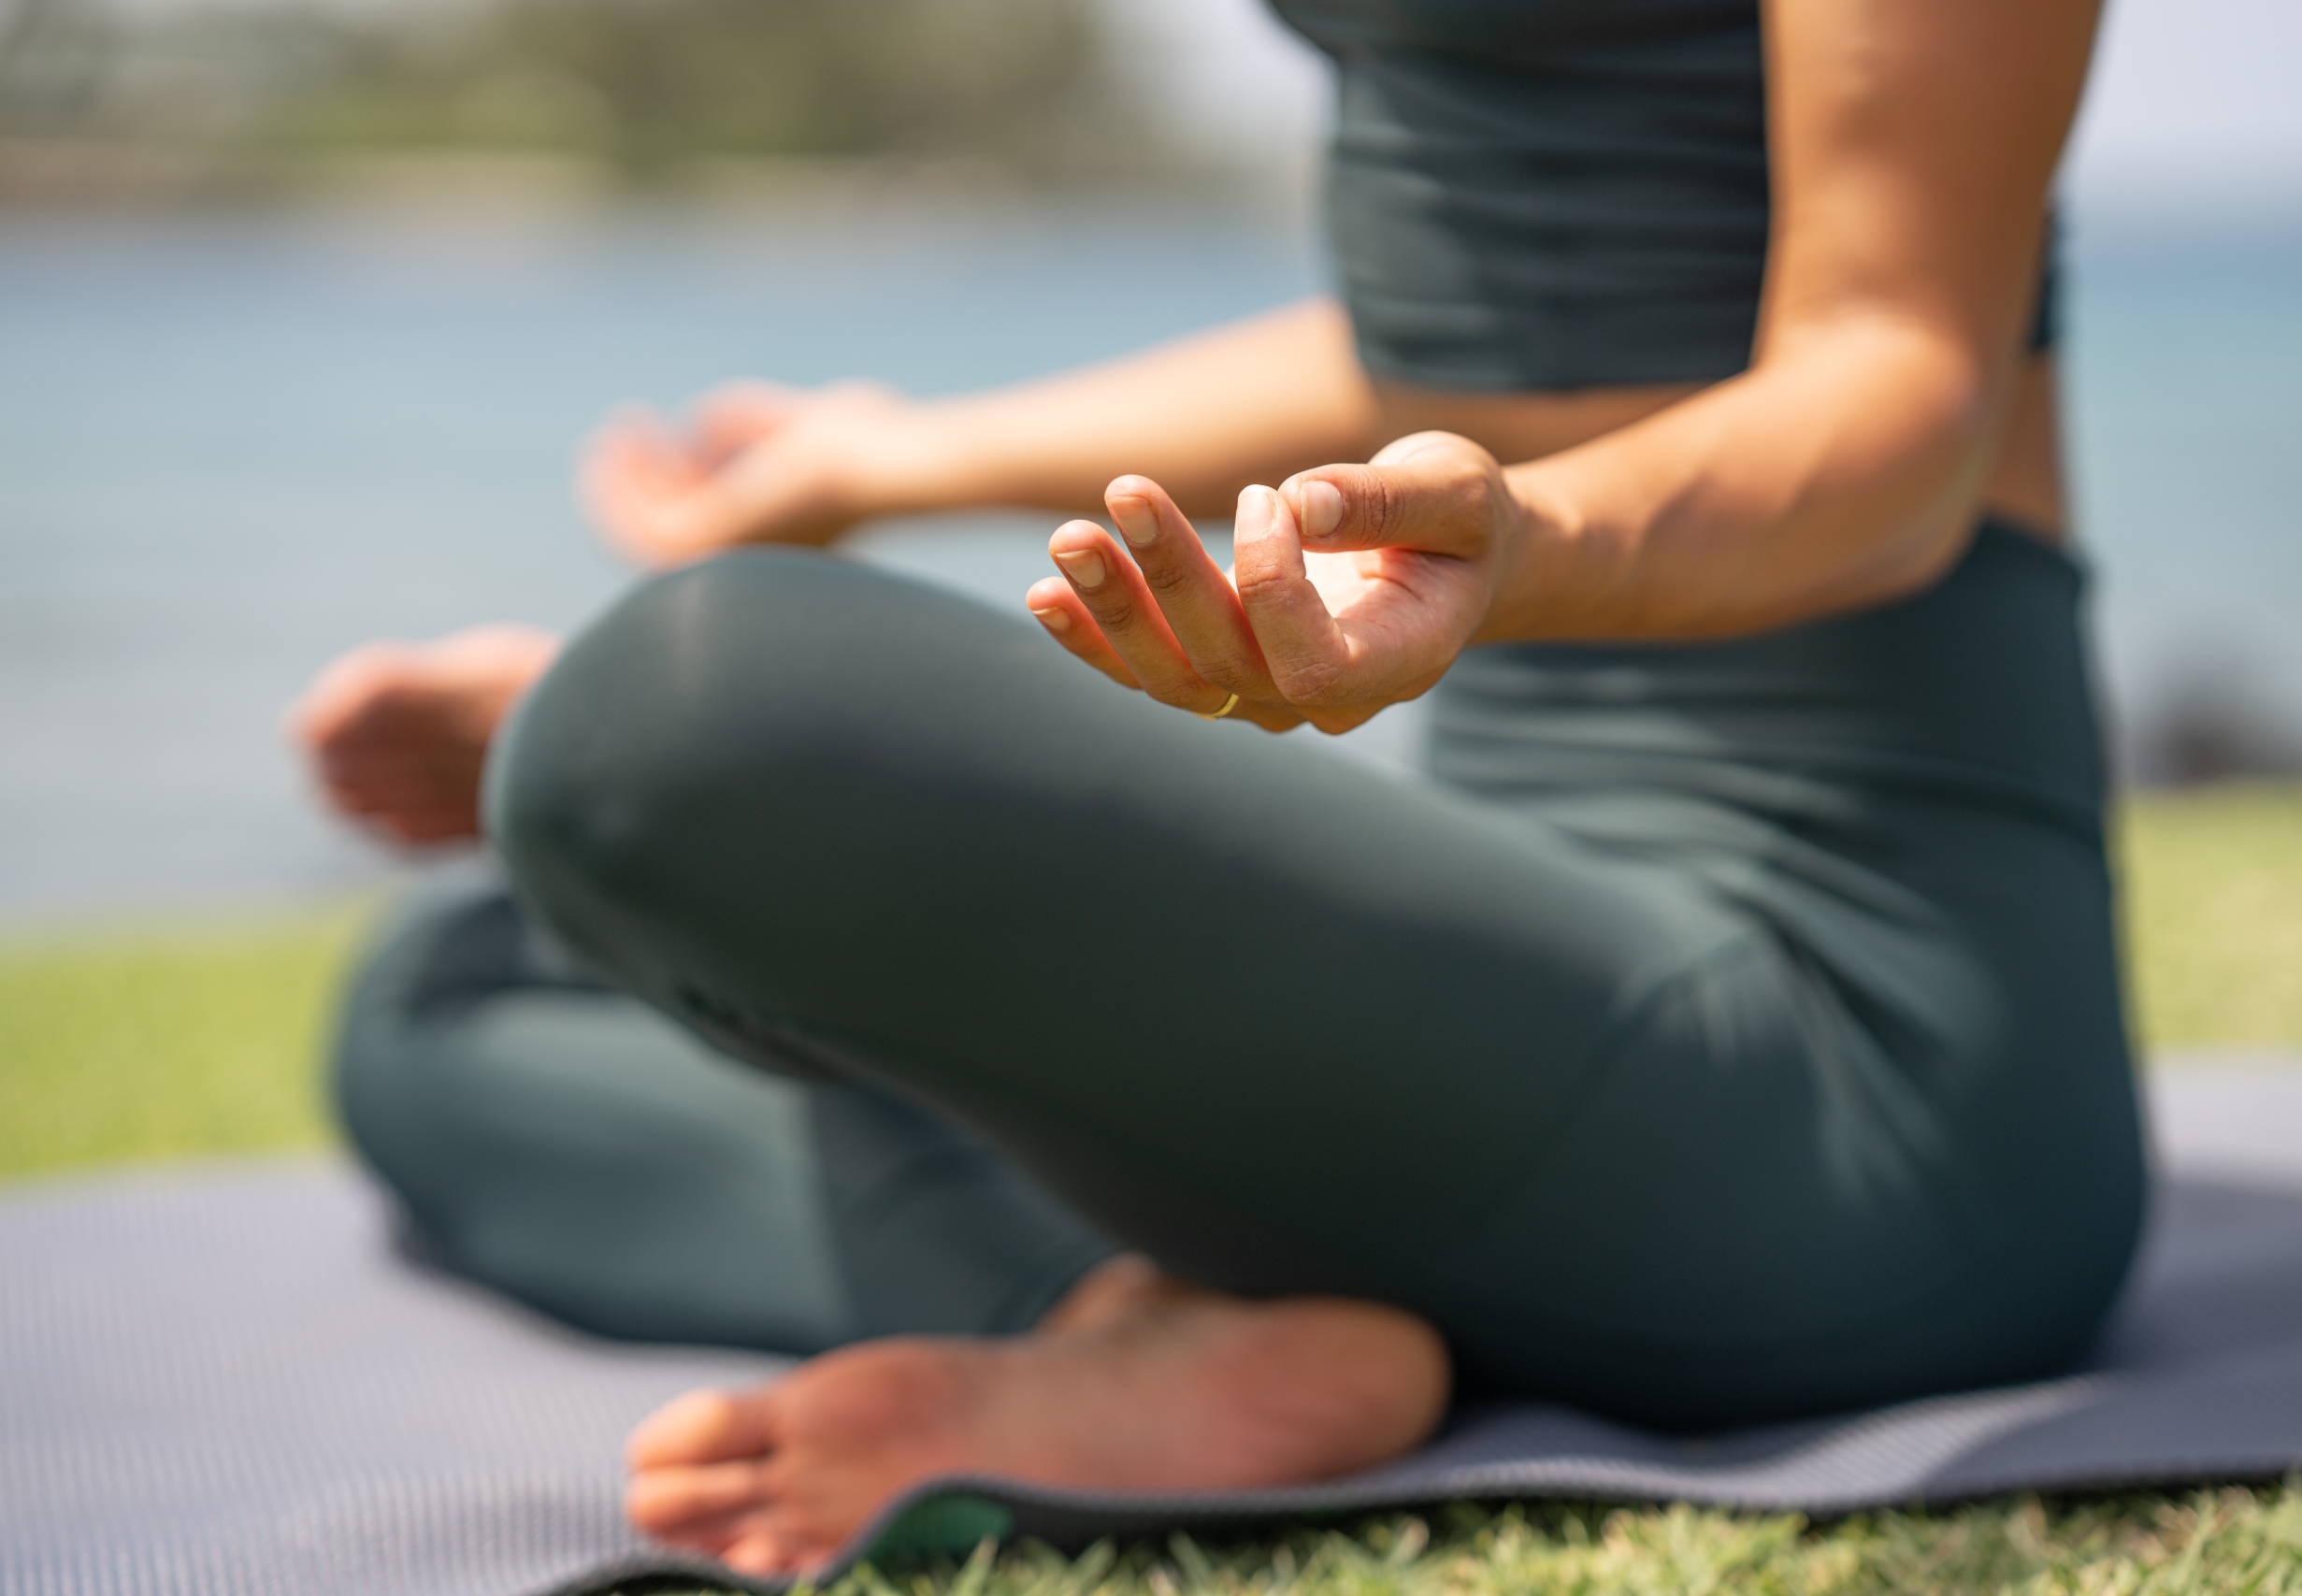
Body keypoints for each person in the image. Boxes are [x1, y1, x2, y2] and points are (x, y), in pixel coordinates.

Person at [290, 0, 2144, 1578]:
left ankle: (1090, 1243)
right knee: (439, 989)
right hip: (1514, 953)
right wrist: (889, 456)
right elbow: (1462, 334)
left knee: (661, 710)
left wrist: (1521, 551)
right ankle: (1128, 1320)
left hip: (1843, 1085)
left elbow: (1903, 399)